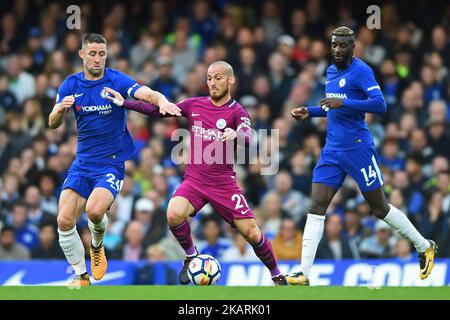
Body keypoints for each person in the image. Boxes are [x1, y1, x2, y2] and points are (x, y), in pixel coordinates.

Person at [103, 60, 289, 285]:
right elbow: (160, 110)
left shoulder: (237, 111)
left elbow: (248, 136)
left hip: (223, 184)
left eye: (218, 78)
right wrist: (125, 103)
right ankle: (192, 255)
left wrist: (237, 136)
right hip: (195, 180)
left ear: (230, 80)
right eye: (209, 78)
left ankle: (277, 275)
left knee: (252, 233)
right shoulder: (195, 104)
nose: (212, 82)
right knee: (173, 214)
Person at [287, 26, 437, 286]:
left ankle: (424, 246)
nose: (337, 50)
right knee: (317, 205)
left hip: (358, 148)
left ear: (352, 47)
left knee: (379, 208)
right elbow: (332, 108)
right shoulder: (331, 71)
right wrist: (310, 111)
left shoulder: (362, 71)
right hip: (332, 150)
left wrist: (345, 102)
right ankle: (304, 272)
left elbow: (380, 105)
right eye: (333, 45)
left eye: (342, 45)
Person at [48, 33, 180, 287]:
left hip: (110, 163)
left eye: (102, 54)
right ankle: (81, 276)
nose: (98, 59)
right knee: (64, 220)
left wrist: (161, 100)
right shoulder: (70, 85)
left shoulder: (116, 79)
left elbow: (145, 92)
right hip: (82, 163)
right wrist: (58, 110)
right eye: (93, 53)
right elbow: (53, 124)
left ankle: (97, 246)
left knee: (94, 211)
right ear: (82, 55)